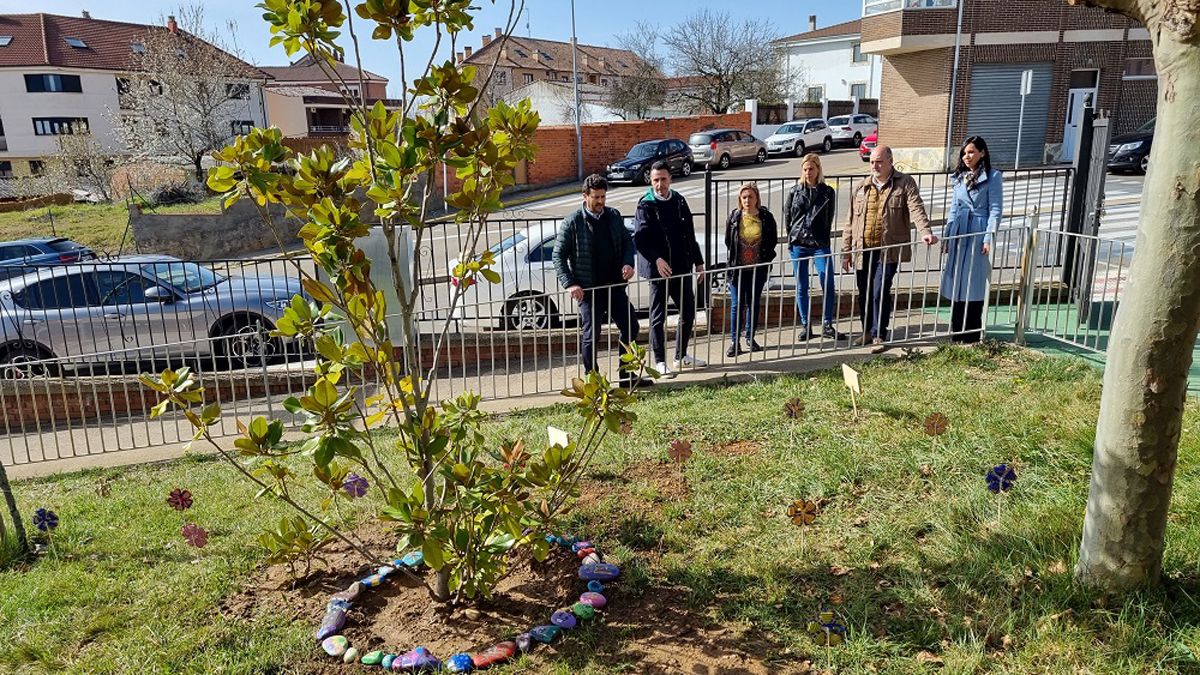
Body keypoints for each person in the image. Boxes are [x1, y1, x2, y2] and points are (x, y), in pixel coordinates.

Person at [552, 174, 649, 388]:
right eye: (596, 197)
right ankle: (593, 380)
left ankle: (627, 376)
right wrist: (570, 283)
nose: (600, 202)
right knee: (591, 334)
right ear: (584, 196)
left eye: (603, 196)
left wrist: (628, 263)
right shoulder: (573, 222)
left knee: (631, 327)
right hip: (588, 290)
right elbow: (557, 256)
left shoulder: (613, 216)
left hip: (614, 286)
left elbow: (627, 242)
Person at [841, 145, 938, 353]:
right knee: (864, 292)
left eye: (879, 162)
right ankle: (866, 331)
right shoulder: (861, 187)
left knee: (879, 290)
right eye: (872, 162)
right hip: (862, 249)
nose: (874, 166)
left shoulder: (904, 183)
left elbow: (916, 208)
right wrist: (846, 251)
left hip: (888, 249)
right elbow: (849, 221)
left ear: (890, 161)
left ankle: (879, 334)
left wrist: (925, 231)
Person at [634, 160, 707, 379]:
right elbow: (640, 239)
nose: (659, 184)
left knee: (688, 311)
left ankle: (681, 355)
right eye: (655, 180)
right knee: (658, 317)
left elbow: (689, 234)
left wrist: (699, 262)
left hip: (682, 266)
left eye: (663, 179)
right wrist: (657, 259)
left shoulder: (679, 201)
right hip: (660, 272)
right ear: (651, 180)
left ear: (670, 179)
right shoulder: (645, 205)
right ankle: (659, 362)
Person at [940, 136, 1002, 343]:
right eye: (965, 152)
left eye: (972, 152)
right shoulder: (959, 177)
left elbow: (995, 210)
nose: (967, 156)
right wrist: (948, 236)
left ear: (982, 153)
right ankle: (957, 332)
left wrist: (988, 238)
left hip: (977, 230)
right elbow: (954, 208)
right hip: (960, 230)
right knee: (957, 279)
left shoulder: (993, 177)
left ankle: (972, 334)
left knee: (973, 282)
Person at [785, 153, 847, 341]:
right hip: (799, 244)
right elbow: (788, 218)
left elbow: (829, 219)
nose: (808, 173)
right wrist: (792, 239)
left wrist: (822, 238)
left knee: (827, 281)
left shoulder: (827, 192)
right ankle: (806, 325)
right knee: (802, 285)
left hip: (819, 243)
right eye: (805, 169)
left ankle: (827, 324)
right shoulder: (794, 191)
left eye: (811, 169)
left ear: (818, 169)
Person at [723, 182, 777, 356]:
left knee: (753, 303)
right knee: (737, 304)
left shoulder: (766, 217)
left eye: (750, 197)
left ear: (756, 198)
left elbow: (772, 240)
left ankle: (750, 336)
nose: (747, 200)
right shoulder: (734, 217)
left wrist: (764, 259)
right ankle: (734, 341)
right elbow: (728, 241)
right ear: (740, 199)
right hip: (737, 269)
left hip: (757, 269)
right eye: (744, 197)